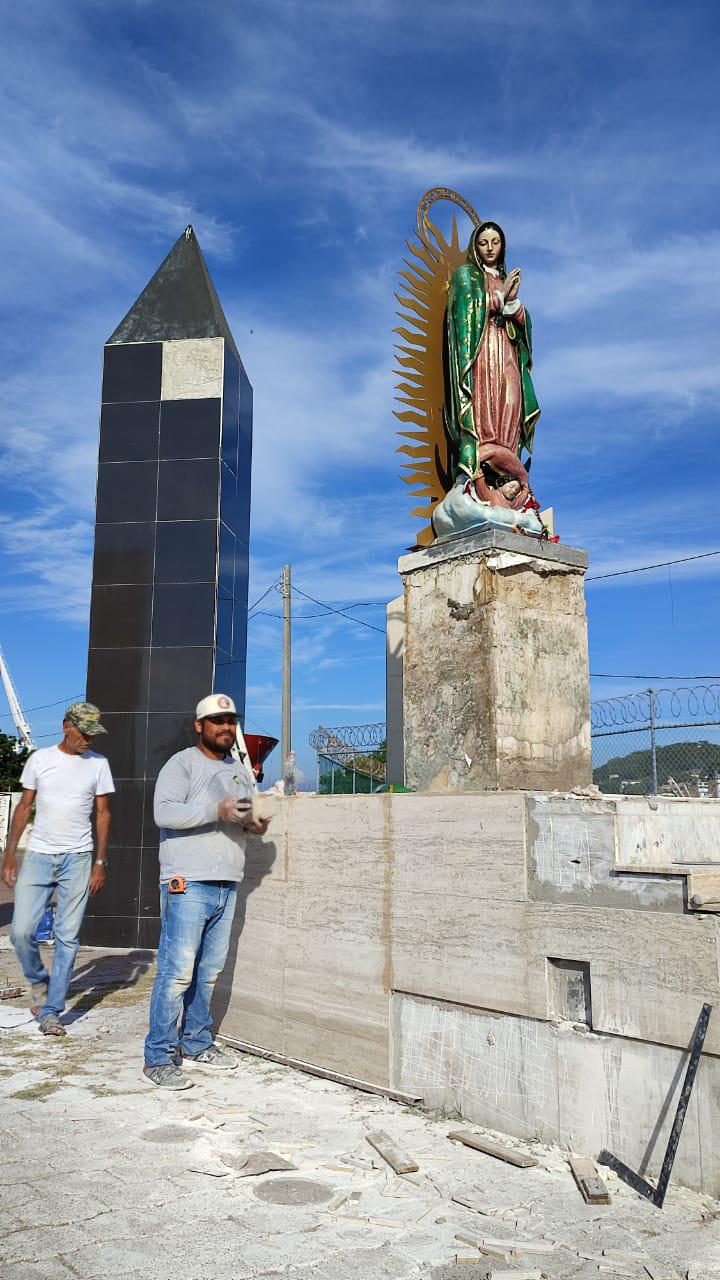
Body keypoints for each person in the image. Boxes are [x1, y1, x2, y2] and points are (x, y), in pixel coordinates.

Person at [142, 693, 271, 1090]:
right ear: (200, 726)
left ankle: (196, 1042)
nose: (225, 728)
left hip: (227, 882)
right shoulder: (182, 763)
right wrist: (216, 811)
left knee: (209, 973)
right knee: (177, 973)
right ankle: (159, 1057)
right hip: (187, 881)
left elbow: (247, 815)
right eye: (217, 721)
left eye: (230, 721)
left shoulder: (240, 770)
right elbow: (163, 812)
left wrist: (254, 825)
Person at [1, 703, 113, 1037]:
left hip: (78, 858)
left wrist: (100, 863)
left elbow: (103, 814)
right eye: (84, 731)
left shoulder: (98, 765)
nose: (89, 738)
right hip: (38, 855)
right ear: (66, 727)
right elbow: (24, 807)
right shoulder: (41, 760)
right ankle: (39, 983)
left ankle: (51, 1011)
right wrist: (9, 855)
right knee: (20, 932)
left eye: (94, 732)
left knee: (67, 937)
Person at [444, 220, 540, 511]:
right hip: (482, 351)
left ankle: (508, 465)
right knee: (486, 401)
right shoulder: (467, 276)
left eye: (495, 242)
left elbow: (525, 330)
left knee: (511, 400)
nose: (489, 248)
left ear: (503, 246)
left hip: (507, 353)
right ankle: (480, 464)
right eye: (483, 242)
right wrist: (500, 300)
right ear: (475, 245)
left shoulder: (505, 280)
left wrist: (517, 308)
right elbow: (465, 309)